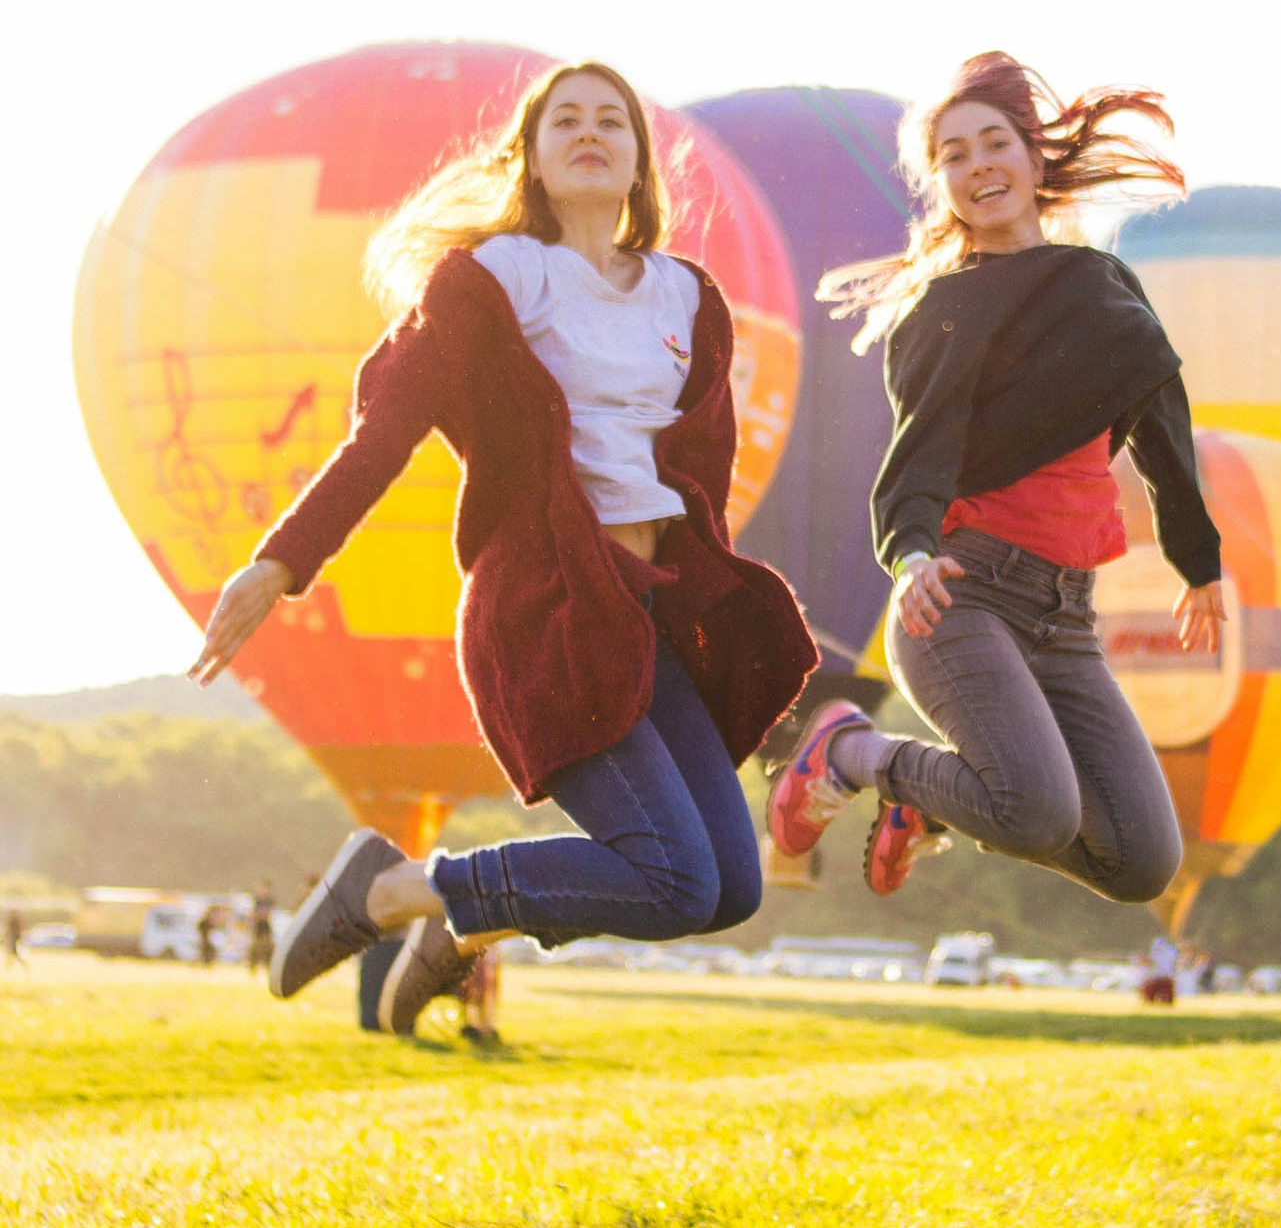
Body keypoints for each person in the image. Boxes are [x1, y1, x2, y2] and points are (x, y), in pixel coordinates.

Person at [188, 61, 816, 1036]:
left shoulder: (687, 299)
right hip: (548, 616)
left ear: (642, 166)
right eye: (564, 119)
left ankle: (459, 922)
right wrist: (277, 563)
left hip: (645, 621)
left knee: (730, 889)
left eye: (612, 119)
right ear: (527, 154)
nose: (589, 131)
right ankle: (395, 892)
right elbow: (383, 436)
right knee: (674, 877)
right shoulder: (487, 284)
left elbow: (701, 481)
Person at [767, 51, 1224, 901]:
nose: (978, 166)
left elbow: (1162, 417)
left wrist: (1199, 561)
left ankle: (927, 806)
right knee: (1037, 813)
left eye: (995, 144)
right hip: (962, 598)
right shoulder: (948, 307)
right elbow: (920, 451)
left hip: (1067, 617)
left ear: (1034, 157)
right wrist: (908, 559)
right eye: (953, 155)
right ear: (939, 183)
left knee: (1142, 863)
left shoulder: (1104, 284)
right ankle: (852, 752)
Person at [246, 880, 276, 979]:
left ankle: (269, 973)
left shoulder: (270, 901)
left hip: (266, 930)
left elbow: (268, 915)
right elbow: (252, 914)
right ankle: (253, 974)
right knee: (254, 952)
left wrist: (259, 915)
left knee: (268, 952)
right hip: (257, 930)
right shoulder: (256, 900)